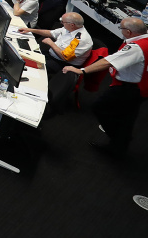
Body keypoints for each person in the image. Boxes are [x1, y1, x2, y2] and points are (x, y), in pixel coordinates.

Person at [63, 17, 148, 155]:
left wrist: (82, 71)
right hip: (142, 85)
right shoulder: (145, 40)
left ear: (128, 32)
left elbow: (108, 62)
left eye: (121, 29)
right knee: (127, 116)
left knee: (100, 108)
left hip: (129, 88)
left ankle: (118, 139)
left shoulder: (135, 48)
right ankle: (121, 143)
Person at [28, 13, 92, 74]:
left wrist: (51, 43)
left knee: (31, 65)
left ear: (72, 25)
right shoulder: (69, 28)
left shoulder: (81, 40)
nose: (61, 23)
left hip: (61, 64)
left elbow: (65, 57)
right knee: (29, 54)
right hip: (51, 55)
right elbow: (51, 33)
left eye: (63, 22)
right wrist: (30, 30)